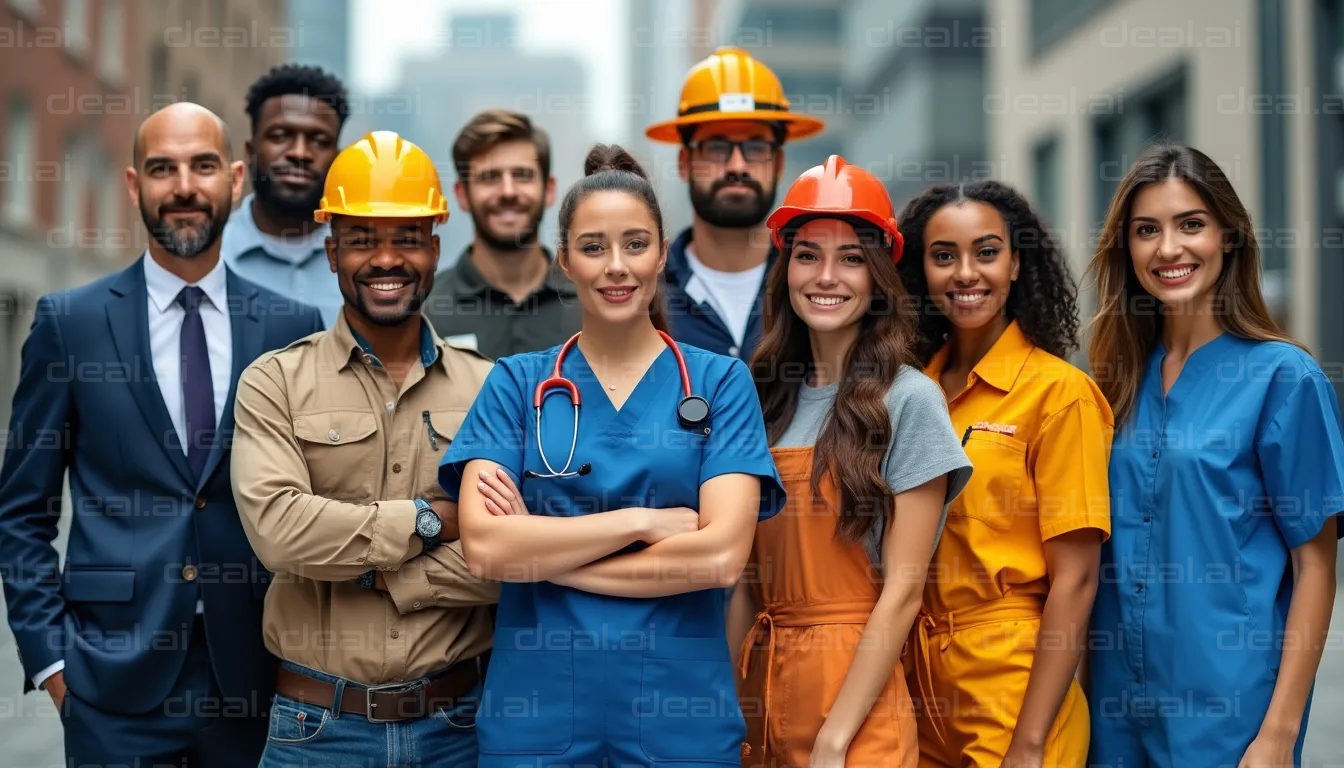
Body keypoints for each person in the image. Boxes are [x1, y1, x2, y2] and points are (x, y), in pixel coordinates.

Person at [438, 144, 786, 768]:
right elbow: (487, 549)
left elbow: (720, 556)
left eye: (635, 244)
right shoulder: (517, 384)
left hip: (680, 722)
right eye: (594, 247)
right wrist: (642, 523)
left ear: (660, 254)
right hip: (536, 722)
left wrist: (545, 556)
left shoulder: (719, 384)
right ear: (564, 261)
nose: (616, 267)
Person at [0, 103, 324, 766]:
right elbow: (22, 511)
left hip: (255, 678)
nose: (182, 186)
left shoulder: (291, 326)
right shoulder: (71, 324)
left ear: (236, 180)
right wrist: (53, 666)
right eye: (161, 168)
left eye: (203, 166)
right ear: (132, 185)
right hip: (108, 685)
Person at [230, 130, 499, 767]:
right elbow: (279, 534)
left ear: (434, 249)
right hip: (316, 732)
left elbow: (510, 557)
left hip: (456, 730)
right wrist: (431, 520)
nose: (386, 259)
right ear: (331, 252)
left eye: (407, 238)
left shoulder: (491, 386)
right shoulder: (274, 382)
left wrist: (383, 572)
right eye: (362, 239)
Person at [1086, 143, 1344, 768]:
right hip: (1112, 711)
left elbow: (1316, 570)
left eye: (1190, 224)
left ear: (1229, 237)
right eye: (1146, 231)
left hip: (1230, 715)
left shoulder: (1286, 379)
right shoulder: (1111, 382)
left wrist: (1278, 737)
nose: (1168, 248)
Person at [732, 155, 973, 768]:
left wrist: (835, 741)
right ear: (785, 269)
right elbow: (743, 581)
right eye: (808, 255)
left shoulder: (910, 399)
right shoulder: (761, 398)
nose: (826, 277)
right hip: (763, 690)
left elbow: (903, 592)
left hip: (859, 713)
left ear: (879, 276)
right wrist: (725, 708)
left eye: (851, 258)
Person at [892, 180, 1112, 768]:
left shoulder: (1059, 395)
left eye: (986, 252)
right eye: (945, 256)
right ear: (923, 272)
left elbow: (1078, 581)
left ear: (1017, 264)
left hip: (1013, 681)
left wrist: (1030, 742)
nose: (966, 273)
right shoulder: (912, 393)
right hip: (916, 680)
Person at [644, 46, 825, 361]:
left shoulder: (816, 282)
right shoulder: (642, 287)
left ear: (778, 163)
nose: (737, 166)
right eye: (717, 147)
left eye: (756, 147)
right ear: (685, 162)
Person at [422, 108, 581, 358]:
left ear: (549, 190)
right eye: (489, 177)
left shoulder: (591, 302)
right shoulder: (425, 312)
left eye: (522, 175)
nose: (508, 191)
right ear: (462, 194)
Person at [222, 64, 349, 326]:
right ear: (250, 152)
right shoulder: (211, 257)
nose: (299, 153)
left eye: (319, 140)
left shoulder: (364, 263)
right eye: (280, 136)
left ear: (338, 159)